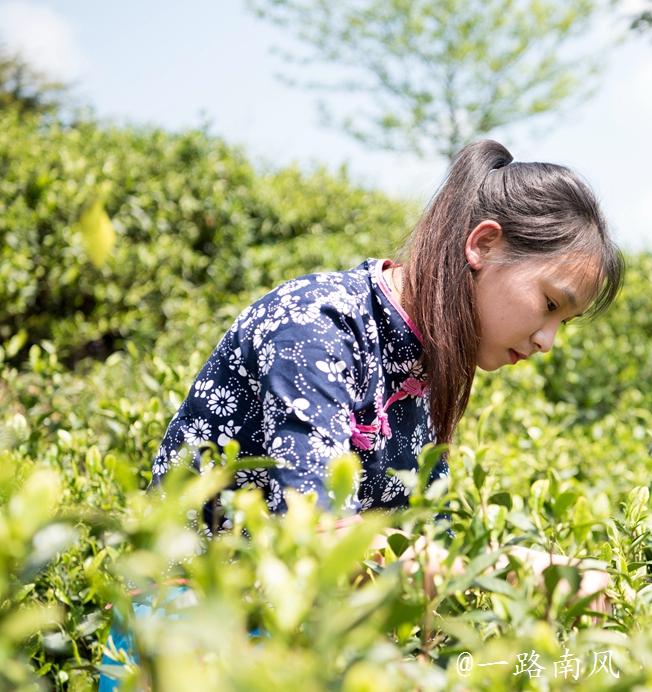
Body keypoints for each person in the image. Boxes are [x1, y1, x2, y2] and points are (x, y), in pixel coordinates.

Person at [99, 140, 622, 689]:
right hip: (183, 632)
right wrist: (517, 571)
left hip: (295, 641)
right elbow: (315, 536)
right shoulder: (317, 324)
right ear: (484, 245)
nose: (549, 341)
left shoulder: (427, 365)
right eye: (550, 305)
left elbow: (428, 548)